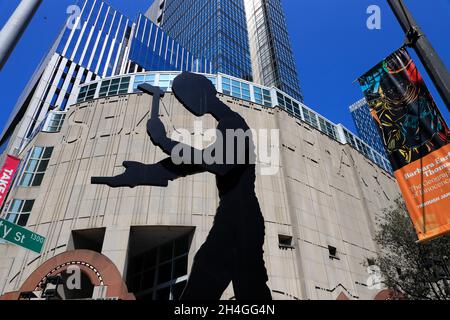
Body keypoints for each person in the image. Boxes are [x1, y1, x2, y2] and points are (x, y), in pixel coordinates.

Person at [92, 72, 272, 300]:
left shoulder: (234, 124)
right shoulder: (225, 127)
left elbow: (219, 164)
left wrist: (165, 141)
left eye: (186, 96)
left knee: (245, 285)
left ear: (202, 93)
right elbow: (187, 165)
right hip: (231, 217)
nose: (185, 103)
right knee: (212, 280)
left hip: (243, 217)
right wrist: (145, 172)